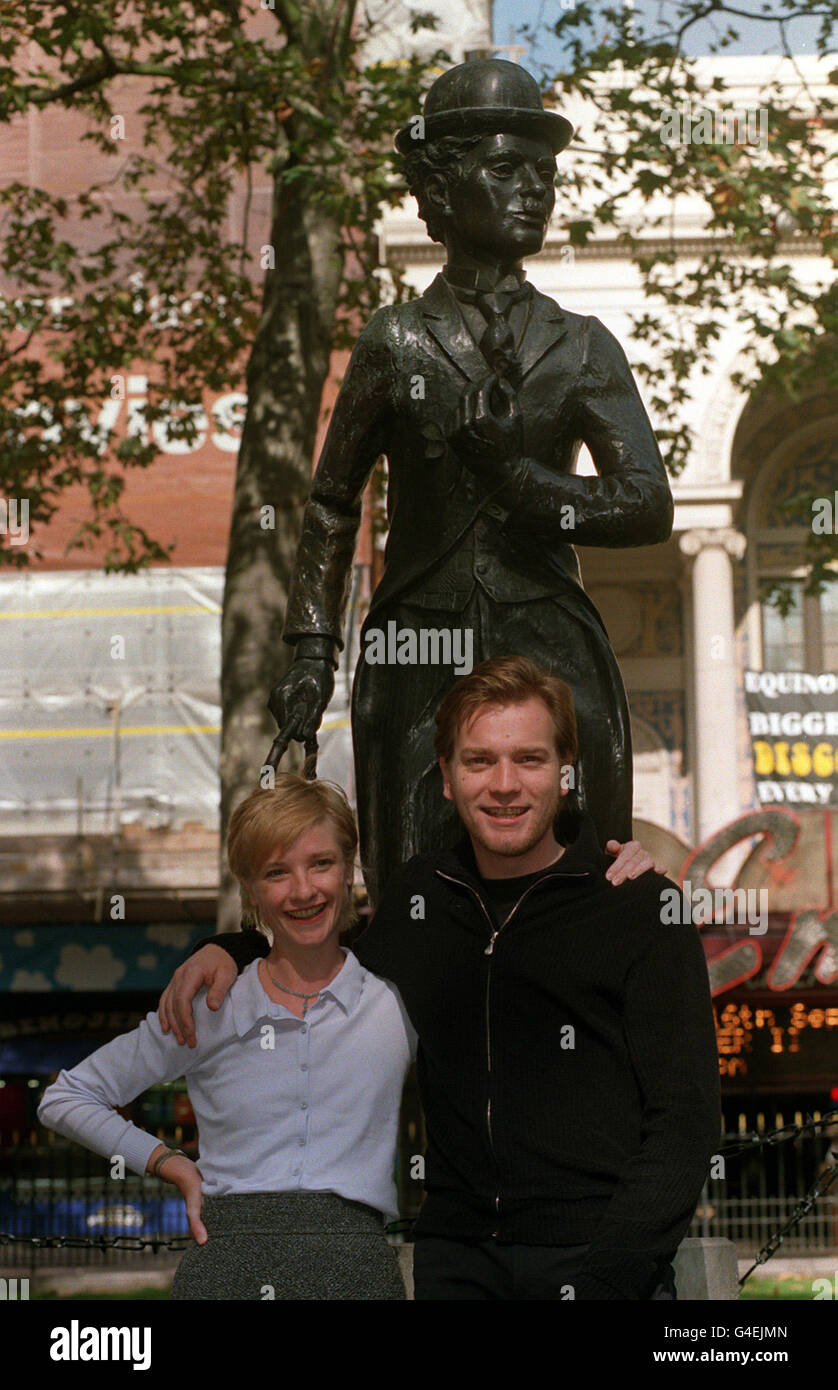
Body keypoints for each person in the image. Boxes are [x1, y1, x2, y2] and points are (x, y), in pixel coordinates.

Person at [161, 656, 721, 1301]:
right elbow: (326, 965)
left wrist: (609, 1276)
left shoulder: (639, 907)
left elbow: (685, 1121)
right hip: (457, 1262)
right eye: (479, 761)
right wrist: (231, 947)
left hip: (599, 1264)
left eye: (530, 760)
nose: (504, 784)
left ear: (567, 773)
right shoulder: (421, 897)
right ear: (448, 778)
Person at [265, 58, 674, 909]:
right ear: (443, 193)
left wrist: (520, 480)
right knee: (416, 884)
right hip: (418, 642)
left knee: (586, 875)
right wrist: (312, 649)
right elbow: (334, 499)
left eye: (544, 173)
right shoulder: (395, 343)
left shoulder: (584, 346)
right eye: (505, 168)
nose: (534, 189)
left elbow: (646, 504)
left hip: (551, 639)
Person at [38, 776, 414, 1300]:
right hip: (226, 1269)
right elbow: (66, 1096)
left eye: (322, 863)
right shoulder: (212, 1005)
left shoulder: (397, 1002)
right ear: (251, 888)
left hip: (357, 1271)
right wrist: (172, 1165)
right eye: (276, 872)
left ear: (350, 867)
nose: (303, 890)